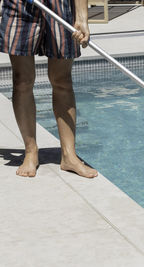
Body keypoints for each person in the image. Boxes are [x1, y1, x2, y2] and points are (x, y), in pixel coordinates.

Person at [0, 0, 98, 178]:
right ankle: (31, 151)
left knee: (62, 80)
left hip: (61, 5)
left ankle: (69, 156)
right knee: (22, 80)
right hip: (20, 5)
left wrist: (82, 18)